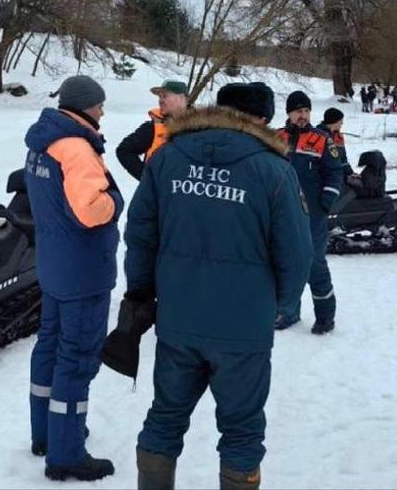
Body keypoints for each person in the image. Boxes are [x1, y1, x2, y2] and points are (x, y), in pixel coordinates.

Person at [124, 82, 311, 490]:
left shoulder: (167, 157)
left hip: (178, 317)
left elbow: (139, 234)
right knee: (242, 431)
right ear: (261, 119)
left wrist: (141, 293)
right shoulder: (275, 169)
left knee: (165, 416)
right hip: (244, 327)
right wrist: (278, 305)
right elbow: (297, 254)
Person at [24, 75, 124, 482]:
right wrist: (115, 201)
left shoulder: (41, 143)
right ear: (83, 106)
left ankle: (46, 433)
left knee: (49, 347)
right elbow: (90, 210)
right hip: (83, 271)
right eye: (99, 105)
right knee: (77, 358)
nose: (102, 111)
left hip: (53, 265)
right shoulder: (77, 149)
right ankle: (66, 453)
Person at [276, 91, 341, 334]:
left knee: (313, 263)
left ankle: (325, 316)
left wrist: (327, 201)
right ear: (289, 113)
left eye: (306, 111)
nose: (302, 115)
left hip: (312, 214)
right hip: (282, 213)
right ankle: (289, 312)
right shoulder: (275, 138)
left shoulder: (322, 139)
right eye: (298, 111)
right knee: (284, 263)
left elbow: (335, 172)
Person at [116, 80, 189, 180]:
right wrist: (148, 179)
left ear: (181, 98)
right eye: (160, 96)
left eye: (165, 96)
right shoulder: (152, 128)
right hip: (159, 195)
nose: (160, 100)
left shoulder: (202, 127)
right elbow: (124, 150)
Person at [319, 107, 353, 182]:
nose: (342, 124)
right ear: (335, 121)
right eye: (341, 121)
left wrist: (350, 173)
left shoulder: (339, 137)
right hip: (324, 178)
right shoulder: (318, 136)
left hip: (339, 175)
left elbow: (343, 159)